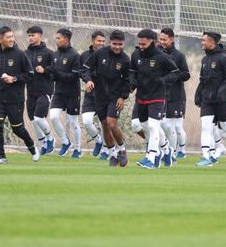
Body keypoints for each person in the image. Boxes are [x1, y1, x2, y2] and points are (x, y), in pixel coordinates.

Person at [0, 26, 38, 165]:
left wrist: (13, 79)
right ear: (0, 38)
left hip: (15, 99)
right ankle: (1, 156)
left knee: (17, 129)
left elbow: (30, 74)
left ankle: (32, 147)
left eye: (12, 37)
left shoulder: (20, 55)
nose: (11, 39)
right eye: (8, 37)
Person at [130, 29, 180, 169]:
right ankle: (166, 149)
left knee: (153, 125)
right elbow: (132, 72)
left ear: (152, 42)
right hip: (141, 97)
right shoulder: (135, 55)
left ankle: (151, 157)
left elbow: (175, 73)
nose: (141, 46)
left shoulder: (161, 56)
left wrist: (162, 81)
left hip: (157, 96)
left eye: (144, 44)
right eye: (139, 43)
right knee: (145, 126)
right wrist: (132, 84)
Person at [81, 30, 131, 167]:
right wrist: (88, 80)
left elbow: (129, 81)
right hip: (100, 96)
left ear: (123, 43)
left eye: (120, 44)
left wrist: (123, 97)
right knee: (104, 125)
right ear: (110, 42)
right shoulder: (99, 54)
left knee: (112, 123)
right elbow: (85, 69)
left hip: (115, 97)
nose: (117, 47)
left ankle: (122, 150)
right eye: (114, 44)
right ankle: (112, 154)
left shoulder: (126, 60)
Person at [195, 32, 226, 166]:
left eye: (204, 41)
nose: (202, 43)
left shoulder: (224, 59)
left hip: (221, 100)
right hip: (207, 100)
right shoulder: (204, 60)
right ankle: (205, 156)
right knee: (206, 126)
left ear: (211, 43)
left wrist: (221, 92)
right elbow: (202, 80)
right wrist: (198, 94)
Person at [46, 28, 82, 158]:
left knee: (73, 122)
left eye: (59, 38)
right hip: (59, 92)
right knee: (54, 116)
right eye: (56, 38)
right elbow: (54, 75)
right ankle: (66, 142)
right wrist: (50, 74)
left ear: (66, 39)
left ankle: (77, 149)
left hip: (72, 93)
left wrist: (56, 74)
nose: (56, 40)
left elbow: (73, 77)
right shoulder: (55, 55)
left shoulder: (75, 55)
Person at [158, 28, 191, 159]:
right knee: (164, 124)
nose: (162, 42)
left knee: (176, 127)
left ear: (171, 39)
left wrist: (172, 77)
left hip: (176, 96)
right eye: (160, 39)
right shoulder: (157, 54)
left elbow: (186, 74)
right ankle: (168, 151)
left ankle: (180, 149)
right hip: (161, 95)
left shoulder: (179, 56)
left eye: (164, 39)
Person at [23, 26, 56, 155]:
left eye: (33, 35)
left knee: (38, 118)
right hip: (30, 91)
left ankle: (50, 138)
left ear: (40, 36)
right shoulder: (25, 53)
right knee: (33, 120)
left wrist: (45, 70)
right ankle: (43, 144)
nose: (31, 37)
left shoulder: (48, 53)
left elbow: (55, 72)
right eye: (29, 35)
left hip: (45, 91)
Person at [80, 31, 107, 158]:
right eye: (98, 41)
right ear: (92, 41)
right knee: (86, 121)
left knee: (105, 123)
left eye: (103, 41)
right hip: (90, 94)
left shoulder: (109, 55)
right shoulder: (85, 55)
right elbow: (83, 71)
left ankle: (107, 149)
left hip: (105, 95)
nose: (101, 43)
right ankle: (98, 140)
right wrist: (88, 80)